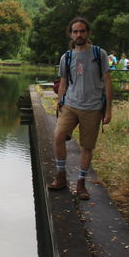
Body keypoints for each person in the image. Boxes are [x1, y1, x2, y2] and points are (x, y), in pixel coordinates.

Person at [48, 17, 113, 200]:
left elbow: (107, 81)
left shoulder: (99, 54)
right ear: (71, 34)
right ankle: (61, 176)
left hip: (93, 108)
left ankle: (81, 184)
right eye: (75, 31)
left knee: (87, 146)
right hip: (70, 105)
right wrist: (59, 102)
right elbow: (64, 83)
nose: (79, 34)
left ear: (88, 33)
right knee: (58, 136)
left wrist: (108, 110)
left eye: (82, 31)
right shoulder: (66, 57)